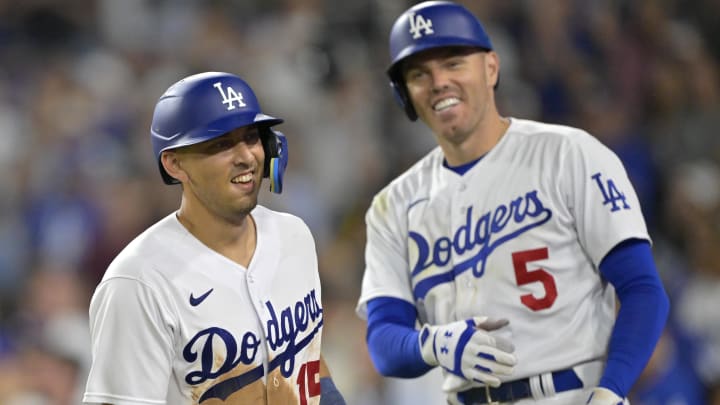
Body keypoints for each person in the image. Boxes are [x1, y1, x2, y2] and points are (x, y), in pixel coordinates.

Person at [355, 2, 669, 404]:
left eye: (453, 63)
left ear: (491, 68)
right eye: (419, 74)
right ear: (404, 95)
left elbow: (643, 288)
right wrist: (432, 345)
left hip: (573, 393)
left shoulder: (568, 155)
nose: (438, 82)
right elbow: (383, 341)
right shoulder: (392, 205)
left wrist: (612, 390)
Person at [83, 71, 345, 405]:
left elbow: (309, 361)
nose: (246, 156)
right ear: (175, 164)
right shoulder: (138, 281)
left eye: (251, 137)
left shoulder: (295, 236)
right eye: (221, 144)